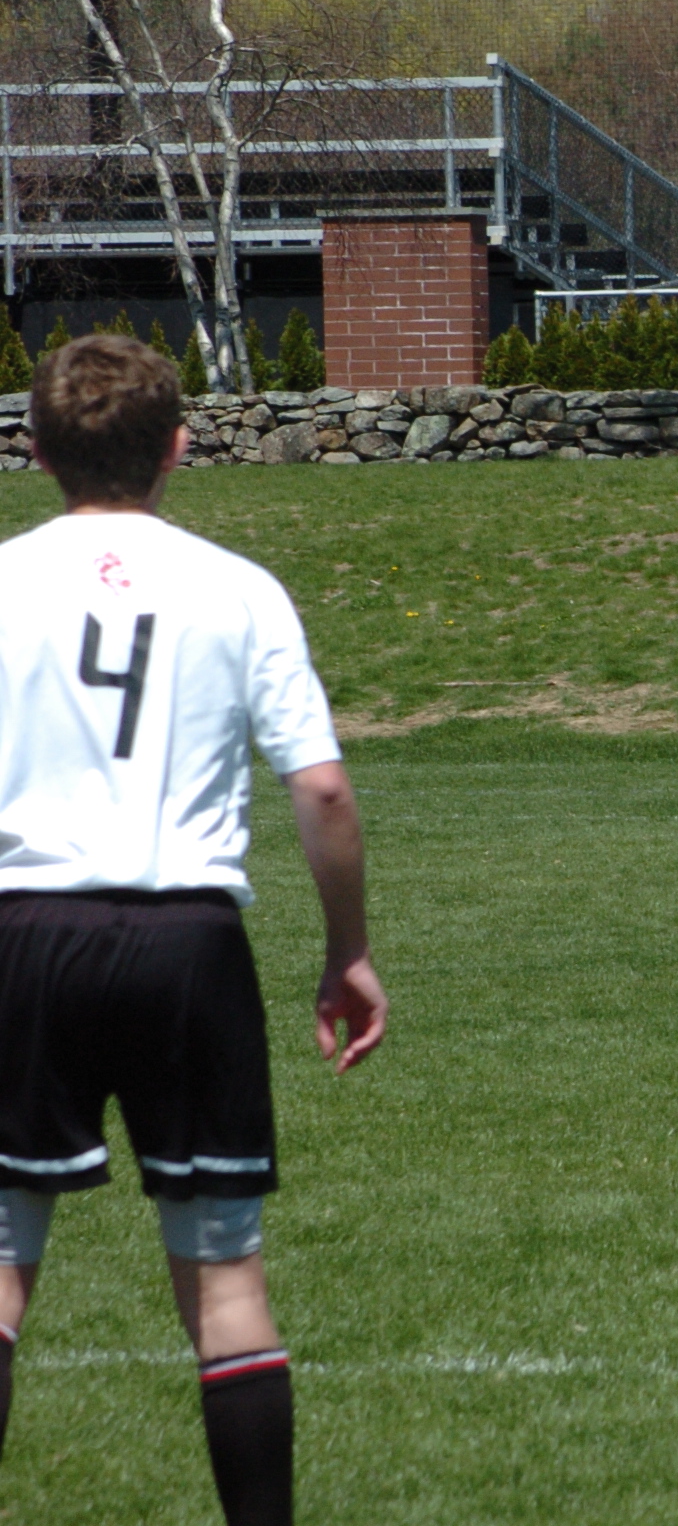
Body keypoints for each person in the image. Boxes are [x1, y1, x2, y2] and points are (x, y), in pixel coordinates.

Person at [0, 335, 388, 1525]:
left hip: (24, 937)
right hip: (189, 947)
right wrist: (347, 952)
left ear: (37, 450)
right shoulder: (238, 589)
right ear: (178, 447)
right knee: (227, 1284)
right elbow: (322, 790)